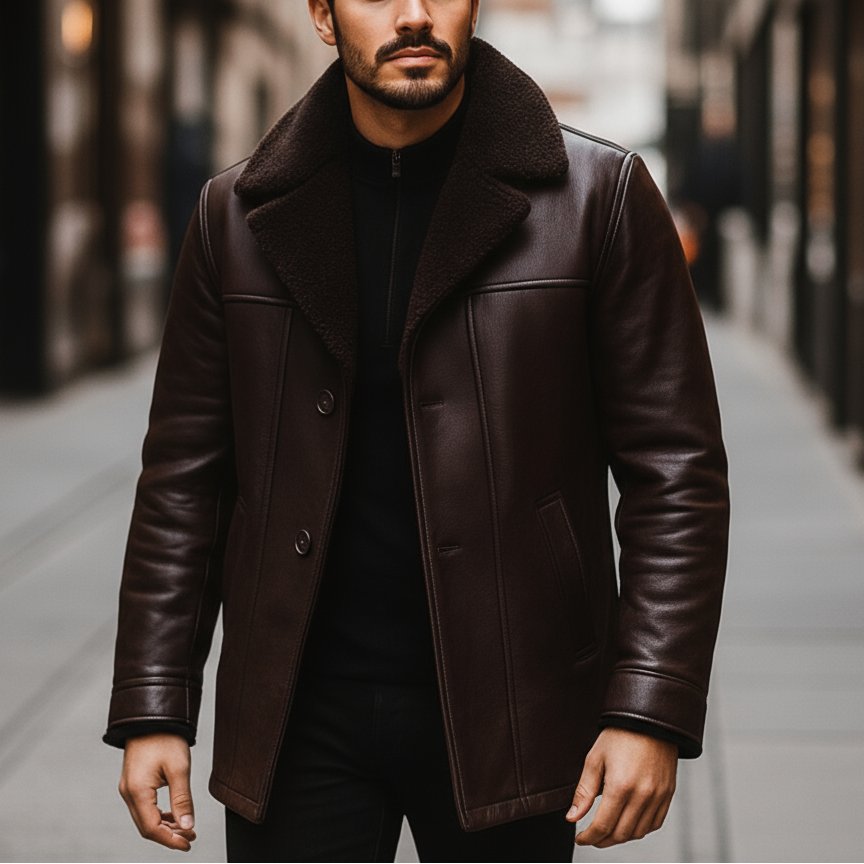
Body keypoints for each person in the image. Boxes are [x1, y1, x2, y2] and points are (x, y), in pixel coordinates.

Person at [104, 1, 729, 861]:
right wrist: (154, 703)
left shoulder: (599, 198)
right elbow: (185, 481)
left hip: (515, 703)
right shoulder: (235, 216)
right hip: (296, 718)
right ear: (322, 15)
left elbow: (678, 473)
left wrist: (648, 706)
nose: (413, 15)